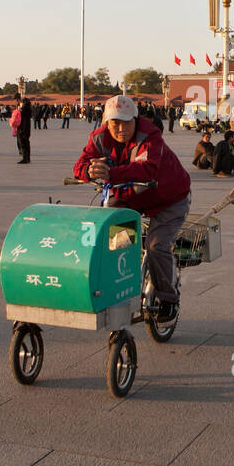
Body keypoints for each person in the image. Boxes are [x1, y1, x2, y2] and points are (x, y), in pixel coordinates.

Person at [74, 95, 191, 321]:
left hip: (169, 199)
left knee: (156, 246)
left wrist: (112, 173)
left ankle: (169, 299)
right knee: (116, 243)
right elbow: (79, 165)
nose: (120, 129)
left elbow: (148, 170)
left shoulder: (150, 136)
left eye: (126, 122)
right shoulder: (99, 138)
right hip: (128, 198)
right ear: (106, 122)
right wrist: (88, 170)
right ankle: (118, 289)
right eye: (114, 123)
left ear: (136, 120)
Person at [12, 96, 32, 164]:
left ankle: (24, 158)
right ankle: (28, 158)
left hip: (22, 129)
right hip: (27, 129)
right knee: (27, 143)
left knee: (22, 143)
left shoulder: (22, 110)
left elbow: (20, 119)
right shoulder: (28, 109)